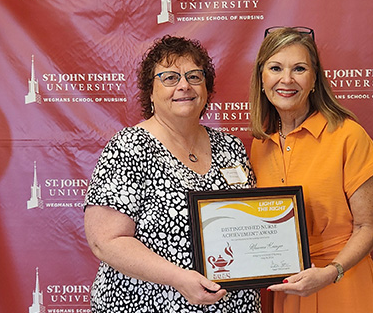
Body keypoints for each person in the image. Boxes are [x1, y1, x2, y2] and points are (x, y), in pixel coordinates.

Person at [84, 35, 261, 313]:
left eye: (194, 76)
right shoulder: (129, 148)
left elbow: (250, 222)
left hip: (230, 305)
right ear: (151, 92)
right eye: (169, 78)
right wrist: (179, 278)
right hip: (149, 305)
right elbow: (105, 241)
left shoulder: (231, 147)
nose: (183, 86)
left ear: (206, 88)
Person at [248, 26, 373, 313]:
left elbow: (368, 226)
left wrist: (331, 272)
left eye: (299, 69)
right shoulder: (259, 144)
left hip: (341, 283)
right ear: (262, 78)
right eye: (275, 68)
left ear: (314, 79)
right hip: (286, 286)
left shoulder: (348, 136)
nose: (286, 80)